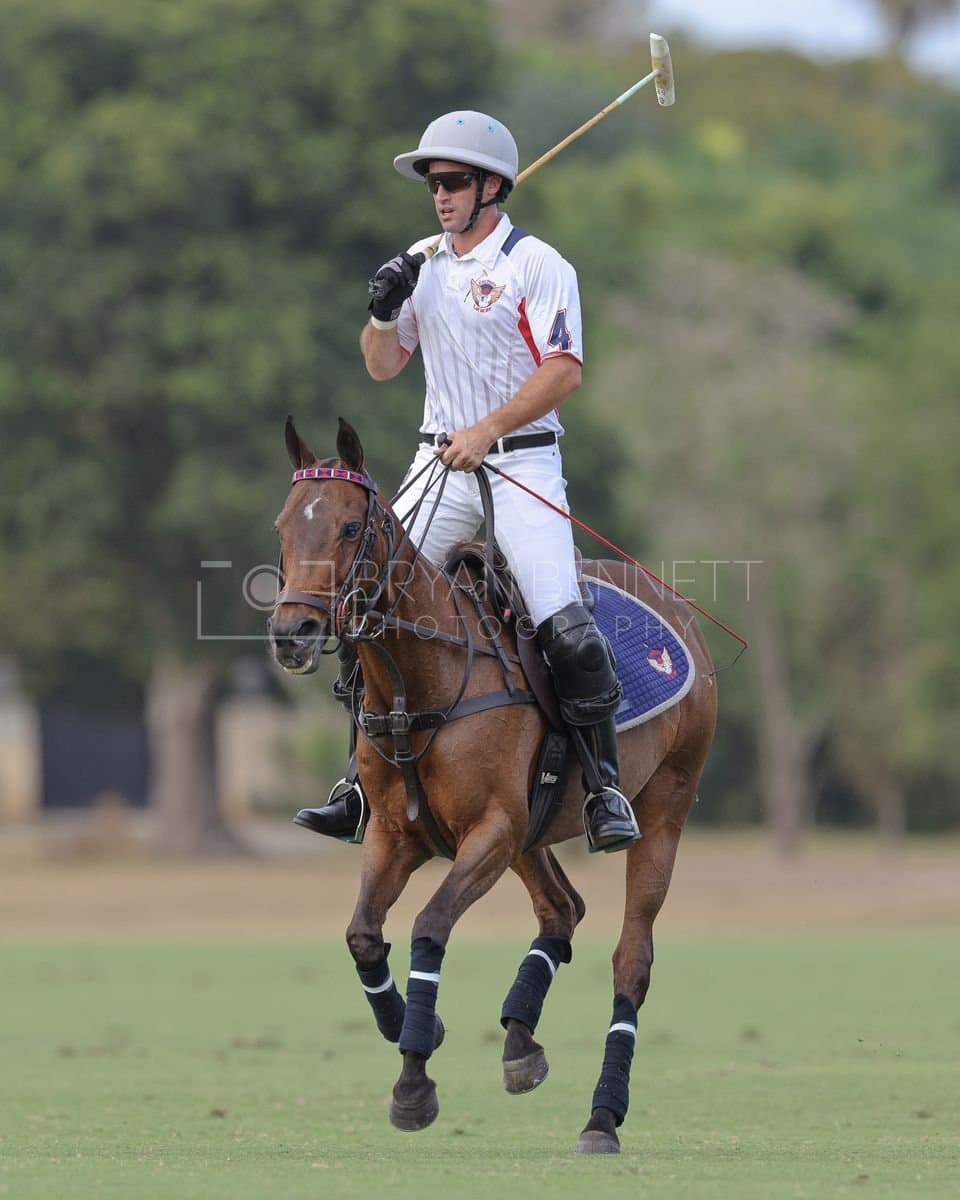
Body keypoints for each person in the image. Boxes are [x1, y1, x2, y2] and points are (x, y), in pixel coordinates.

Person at [295, 111, 640, 853]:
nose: (439, 195)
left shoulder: (538, 265)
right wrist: (382, 315)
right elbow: (382, 366)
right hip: (438, 461)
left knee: (565, 626)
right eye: (432, 183)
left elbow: (563, 371)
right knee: (364, 607)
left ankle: (605, 786)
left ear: (491, 188)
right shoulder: (423, 264)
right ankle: (357, 787)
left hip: (520, 462)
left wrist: (487, 430)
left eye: (452, 182)